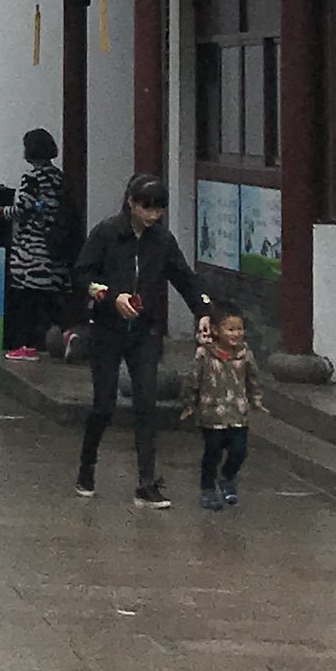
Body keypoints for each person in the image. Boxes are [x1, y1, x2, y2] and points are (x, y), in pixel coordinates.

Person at [73, 174, 204, 506]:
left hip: (145, 331)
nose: (153, 215)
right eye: (146, 207)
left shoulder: (162, 241)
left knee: (147, 401)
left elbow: (184, 278)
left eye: (158, 209)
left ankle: (147, 481)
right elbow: (82, 274)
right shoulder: (106, 233)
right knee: (104, 404)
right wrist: (109, 295)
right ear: (130, 202)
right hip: (106, 329)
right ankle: (87, 465)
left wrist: (204, 311)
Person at [5, 128, 75, 355]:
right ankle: (56, 343)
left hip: (31, 253)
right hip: (55, 250)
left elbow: (23, 208)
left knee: (26, 304)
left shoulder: (32, 177)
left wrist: (0, 211)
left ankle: (26, 347)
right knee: (49, 303)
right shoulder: (59, 177)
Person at [188, 304, 257, 512]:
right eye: (230, 329)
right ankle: (208, 488)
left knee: (239, 450)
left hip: (238, 412)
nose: (236, 334)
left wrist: (257, 400)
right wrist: (190, 403)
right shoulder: (204, 354)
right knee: (212, 452)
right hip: (211, 413)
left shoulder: (245, 355)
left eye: (239, 329)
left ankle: (228, 477)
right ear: (216, 330)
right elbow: (193, 380)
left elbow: (253, 380)